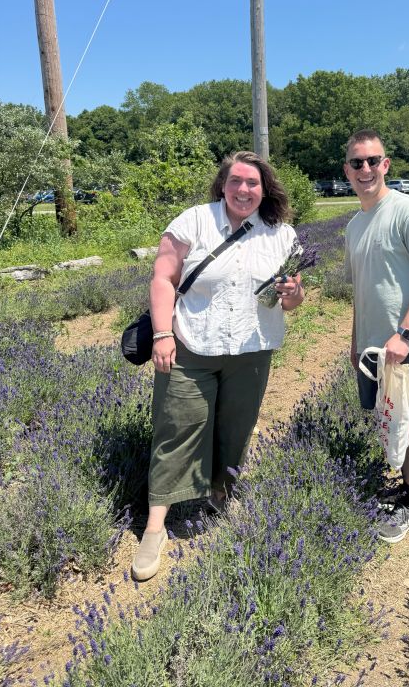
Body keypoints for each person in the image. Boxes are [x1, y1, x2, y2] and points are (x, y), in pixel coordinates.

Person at [131, 151, 304, 580]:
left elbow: (296, 302)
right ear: (222, 184)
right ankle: (155, 527)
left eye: (253, 183)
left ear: (265, 189)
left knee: (236, 427)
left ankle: (220, 495)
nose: (243, 190)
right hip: (191, 345)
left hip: (252, 350)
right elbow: (163, 278)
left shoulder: (281, 235)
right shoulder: (193, 221)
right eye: (236, 181)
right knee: (176, 427)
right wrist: (162, 333)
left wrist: (292, 294)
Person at [343, 129, 409, 544]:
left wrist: (404, 334)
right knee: (395, 421)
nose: (365, 169)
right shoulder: (355, 225)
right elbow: (362, 289)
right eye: (357, 162)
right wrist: (356, 340)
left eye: (373, 161)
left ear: (386, 165)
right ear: (347, 170)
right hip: (375, 347)